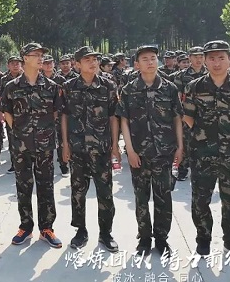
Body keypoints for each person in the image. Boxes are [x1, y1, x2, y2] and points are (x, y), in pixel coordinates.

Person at [183, 40, 230, 262]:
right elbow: (188, 117)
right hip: (203, 154)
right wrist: (206, 136)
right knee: (201, 199)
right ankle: (203, 239)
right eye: (211, 58)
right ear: (204, 60)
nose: (216, 62)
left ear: (229, 60)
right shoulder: (194, 87)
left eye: (221, 57)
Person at [116, 45, 183, 256]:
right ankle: (144, 238)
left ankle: (162, 239)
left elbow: (177, 118)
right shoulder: (128, 90)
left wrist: (180, 146)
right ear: (137, 64)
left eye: (153, 58)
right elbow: (124, 121)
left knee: (164, 197)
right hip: (139, 153)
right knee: (141, 198)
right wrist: (130, 150)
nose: (150, 62)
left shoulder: (170, 88)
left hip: (164, 152)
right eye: (145, 59)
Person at [1, 43, 63, 248]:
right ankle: (25, 227)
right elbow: (7, 112)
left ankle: (47, 228)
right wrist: (19, 132)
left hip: (45, 145)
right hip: (21, 146)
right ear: (25, 58)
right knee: (23, 186)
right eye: (35, 55)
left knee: (46, 186)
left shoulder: (51, 86)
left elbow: (55, 113)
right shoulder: (12, 86)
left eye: (41, 55)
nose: (40, 58)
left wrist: (44, 132)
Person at [61, 46, 120, 252]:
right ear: (77, 64)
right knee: (78, 192)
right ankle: (81, 231)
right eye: (87, 60)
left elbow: (113, 117)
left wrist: (115, 145)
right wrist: (65, 144)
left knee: (105, 193)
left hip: (101, 149)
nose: (93, 63)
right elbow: (64, 116)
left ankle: (106, 233)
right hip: (78, 149)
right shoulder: (68, 87)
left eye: (95, 59)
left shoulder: (108, 85)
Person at [172, 46, 207, 182]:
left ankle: (203, 170)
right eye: (195, 57)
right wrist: (180, 115)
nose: (198, 59)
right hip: (187, 114)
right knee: (185, 141)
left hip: (206, 114)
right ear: (189, 58)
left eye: (201, 56)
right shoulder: (181, 75)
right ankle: (182, 169)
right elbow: (178, 96)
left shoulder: (209, 73)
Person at [42, 55, 69, 177]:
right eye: (45, 63)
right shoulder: (39, 79)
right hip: (44, 115)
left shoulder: (61, 79)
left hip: (59, 114)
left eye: (50, 63)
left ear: (54, 64)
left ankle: (64, 165)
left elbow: (65, 98)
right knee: (45, 142)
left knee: (61, 141)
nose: (48, 65)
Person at [0, 55, 23, 174]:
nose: (15, 65)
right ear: (8, 66)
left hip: (25, 115)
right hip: (10, 113)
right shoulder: (4, 79)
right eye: (13, 63)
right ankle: (14, 163)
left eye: (17, 63)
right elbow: (1, 97)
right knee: (12, 139)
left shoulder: (26, 77)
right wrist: (0, 113)